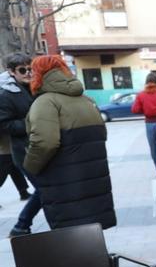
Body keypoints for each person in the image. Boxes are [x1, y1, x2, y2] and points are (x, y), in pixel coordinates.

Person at [23, 55, 116, 230]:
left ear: (39, 74)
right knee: (91, 235)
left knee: (70, 237)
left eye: (31, 71)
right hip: (93, 180)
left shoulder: (46, 102)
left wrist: (30, 167)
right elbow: (102, 134)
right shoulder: (87, 100)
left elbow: (45, 143)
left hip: (63, 182)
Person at [0, 53, 43, 237]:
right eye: (22, 70)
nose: (28, 73)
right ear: (11, 71)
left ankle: (22, 226)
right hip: (23, 152)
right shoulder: (6, 95)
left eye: (30, 69)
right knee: (44, 189)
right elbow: (5, 125)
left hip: (40, 148)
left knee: (46, 188)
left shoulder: (35, 87)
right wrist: (31, 123)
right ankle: (21, 226)